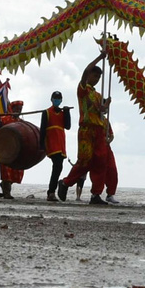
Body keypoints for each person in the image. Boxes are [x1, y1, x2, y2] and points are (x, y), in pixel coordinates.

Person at [59, 59, 119, 205]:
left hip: (98, 129)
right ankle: (66, 183)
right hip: (86, 128)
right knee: (84, 161)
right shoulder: (82, 89)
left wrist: (105, 105)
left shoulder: (98, 95)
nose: (96, 79)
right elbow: (85, 71)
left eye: (98, 77)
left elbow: (101, 112)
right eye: (95, 76)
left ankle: (96, 194)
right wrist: (100, 56)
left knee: (100, 161)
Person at [39, 91, 70, 194]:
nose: (57, 100)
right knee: (57, 166)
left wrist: (67, 113)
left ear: (61, 100)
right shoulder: (46, 112)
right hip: (52, 144)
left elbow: (68, 126)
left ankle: (52, 191)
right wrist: (41, 145)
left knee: (58, 167)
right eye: (55, 98)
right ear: (51, 100)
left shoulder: (62, 113)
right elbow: (42, 130)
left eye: (59, 98)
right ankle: (51, 191)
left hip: (61, 144)